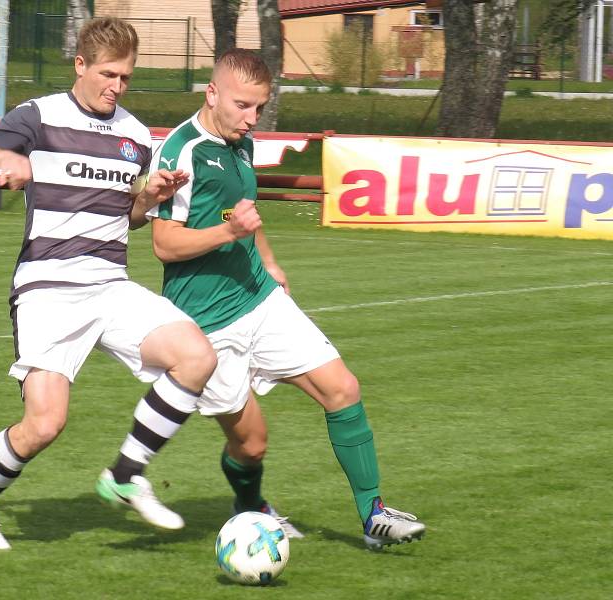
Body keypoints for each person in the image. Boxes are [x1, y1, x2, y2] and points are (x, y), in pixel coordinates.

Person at [99, 48, 426, 551]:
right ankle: (250, 507)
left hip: (259, 299)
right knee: (251, 445)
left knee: (343, 388)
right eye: (243, 106)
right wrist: (230, 232)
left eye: (260, 108)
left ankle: (373, 514)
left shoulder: (241, 142)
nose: (251, 119)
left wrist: (267, 258)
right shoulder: (181, 151)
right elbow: (165, 244)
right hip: (205, 324)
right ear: (212, 94)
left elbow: (243, 211)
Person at [0, 17, 218, 551]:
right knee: (44, 425)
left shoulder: (136, 135)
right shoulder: (40, 114)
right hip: (48, 285)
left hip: (110, 283)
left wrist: (150, 195)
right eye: (108, 73)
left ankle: (126, 473)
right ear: (80, 65)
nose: (116, 86)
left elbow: (131, 216)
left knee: (197, 358)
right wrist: (5, 156)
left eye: (125, 77)